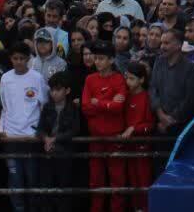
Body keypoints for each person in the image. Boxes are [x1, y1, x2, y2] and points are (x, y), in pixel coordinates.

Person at [0, 41, 48, 212]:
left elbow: (43, 107)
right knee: (15, 180)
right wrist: (1, 130)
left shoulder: (37, 78)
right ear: (10, 59)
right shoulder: (5, 78)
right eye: (15, 58)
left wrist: (40, 132)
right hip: (11, 138)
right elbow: (4, 107)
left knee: (33, 179)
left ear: (28, 59)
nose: (18, 61)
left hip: (31, 138)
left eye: (22, 58)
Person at [82, 40, 127, 212]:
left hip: (114, 137)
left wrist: (98, 103)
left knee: (118, 181)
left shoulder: (118, 79)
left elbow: (119, 108)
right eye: (96, 58)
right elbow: (86, 108)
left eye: (101, 58)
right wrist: (108, 103)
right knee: (96, 181)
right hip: (96, 138)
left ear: (111, 60)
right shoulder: (90, 79)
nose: (97, 62)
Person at [37, 71, 81, 212]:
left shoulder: (73, 108)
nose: (53, 93)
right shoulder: (47, 107)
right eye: (52, 90)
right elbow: (40, 129)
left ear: (67, 90)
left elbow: (74, 130)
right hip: (48, 154)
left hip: (64, 155)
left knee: (64, 189)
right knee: (47, 190)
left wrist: (54, 139)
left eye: (57, 90)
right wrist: (45, 138)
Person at [149, 29, 194, 136]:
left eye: (166, 43)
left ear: (178, 45)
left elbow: (190, 98)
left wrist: (171, 119)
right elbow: (153, 89)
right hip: (159, 122)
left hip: (181, 125)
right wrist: (161, 115)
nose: (162, 47)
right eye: (162, 43)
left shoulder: (189, 67)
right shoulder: (159, 62)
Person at [121, 61, 155, 212]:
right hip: (127, 147)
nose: (128, 82)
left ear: (141, 80)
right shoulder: (125, 97)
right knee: (132, 182)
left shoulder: (146, 97)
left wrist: (134, 128)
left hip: (142, 148)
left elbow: (150, 124)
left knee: (143, 182)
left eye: (132, 78)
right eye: (127, 78)